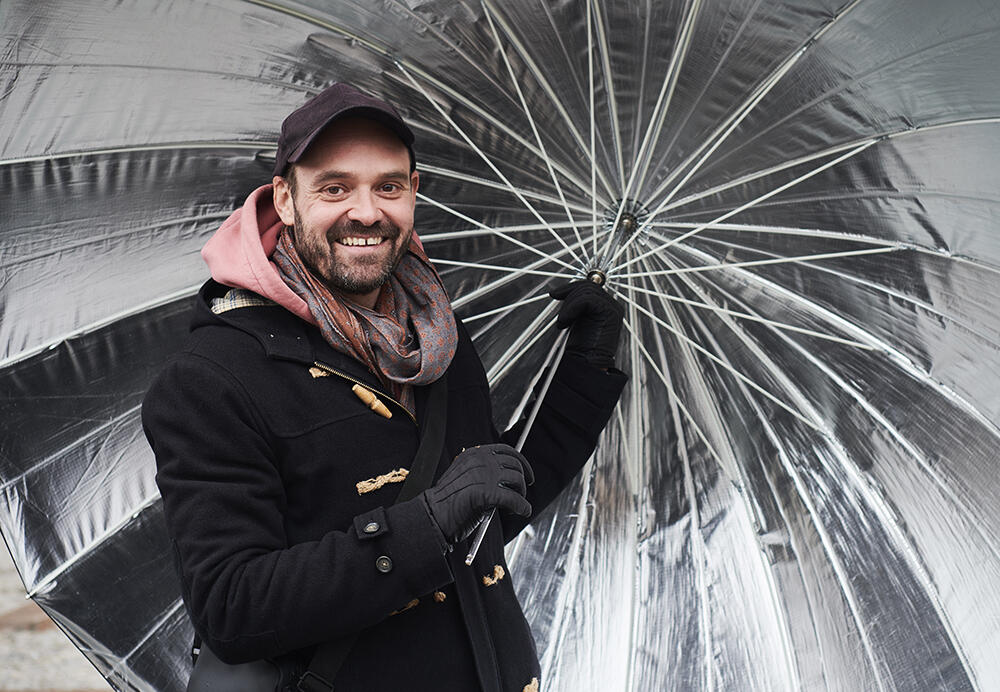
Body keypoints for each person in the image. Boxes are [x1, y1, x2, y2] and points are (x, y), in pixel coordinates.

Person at [142, 82, 626, 692]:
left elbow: (489, 509)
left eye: (388, 187)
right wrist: (430, 522)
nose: (367, 212)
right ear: (284, 201)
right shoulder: (214, 377)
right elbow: (232, 606)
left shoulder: (436, 336)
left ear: (413, 194)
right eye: (335, 187)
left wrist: (585, 365)